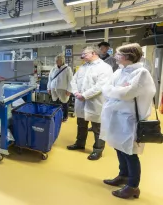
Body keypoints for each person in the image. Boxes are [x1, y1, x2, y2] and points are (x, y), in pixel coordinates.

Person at [100, 43, 156, 199]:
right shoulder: (120, 71)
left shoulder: (141, 73)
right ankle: (123, 175)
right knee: (119, 147)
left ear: (128, 56)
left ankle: (133, 186)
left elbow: (127, 93)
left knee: (130, 152)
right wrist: (118, 90)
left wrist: (116, 90)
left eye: (118, 54)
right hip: (117, 117)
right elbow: (106, 88)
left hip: (130, 119)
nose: (116, 57)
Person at [67, 46, 113, 160]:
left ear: (93, 53)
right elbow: (73, 80)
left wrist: (84, 95)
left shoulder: (104, 67)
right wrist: (76, 92)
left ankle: (98, 150)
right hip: (80, 101)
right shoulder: (83, 67)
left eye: (85, 54)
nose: (82, 56)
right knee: (81, 125)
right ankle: (80, 144)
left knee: (98, 128)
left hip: (95, 102)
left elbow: (101, 86)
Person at [87, 42, 119, 132]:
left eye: (106, 48)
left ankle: (102, 126)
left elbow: (116, 72)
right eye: (102, 48)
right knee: (93, 108)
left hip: (107, 87)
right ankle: (94, 126)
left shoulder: (112, 60)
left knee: (103, 108)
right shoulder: (93, 60)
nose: (104, 50)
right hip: (93, 86)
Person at [47, 54, 73, 122]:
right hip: (53, 88)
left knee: (64, 103)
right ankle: (55, 115)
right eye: (56, 60)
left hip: (63, 89)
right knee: (54, 102)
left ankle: (65, 117)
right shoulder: (53, 69)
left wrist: (69, 90)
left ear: (62, 61)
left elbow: (71, 80)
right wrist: (49, 88)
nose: (56, 62)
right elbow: (50, 79)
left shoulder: (67, 69)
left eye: (58, 60)